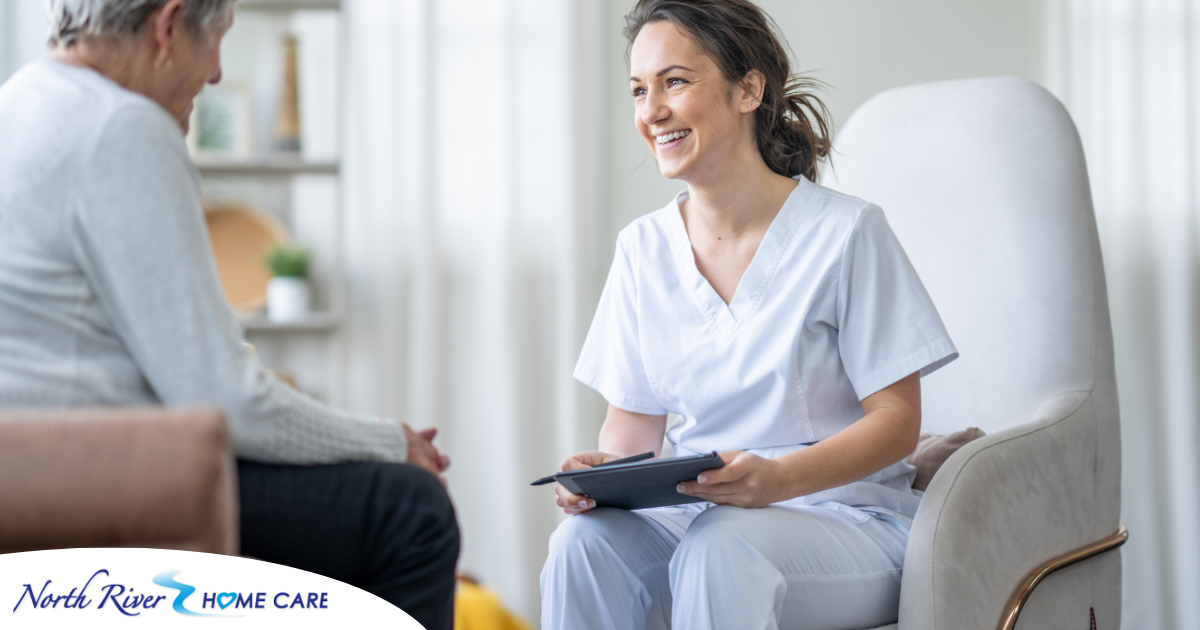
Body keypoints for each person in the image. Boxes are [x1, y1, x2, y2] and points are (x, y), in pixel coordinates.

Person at [0, 1, 458, 628]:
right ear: (168, 25)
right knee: (413, 512)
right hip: (90, 487)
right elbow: (227, 403)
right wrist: (390, 442)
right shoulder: (122, 128)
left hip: (28, 478)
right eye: (218, 41)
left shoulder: (22, 99)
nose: (216, 74)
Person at [540, 1, 958, 629]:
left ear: (749, 89)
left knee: (724, 547)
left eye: (674, 81)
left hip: (845, 521)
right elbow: (631, 433)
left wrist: (780, 479)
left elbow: (898, 422)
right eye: (638, 90)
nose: (651, 111)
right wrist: (605, 479)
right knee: (582, 546)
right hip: (699, 519)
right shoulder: (641, 249)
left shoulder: (846, 233)